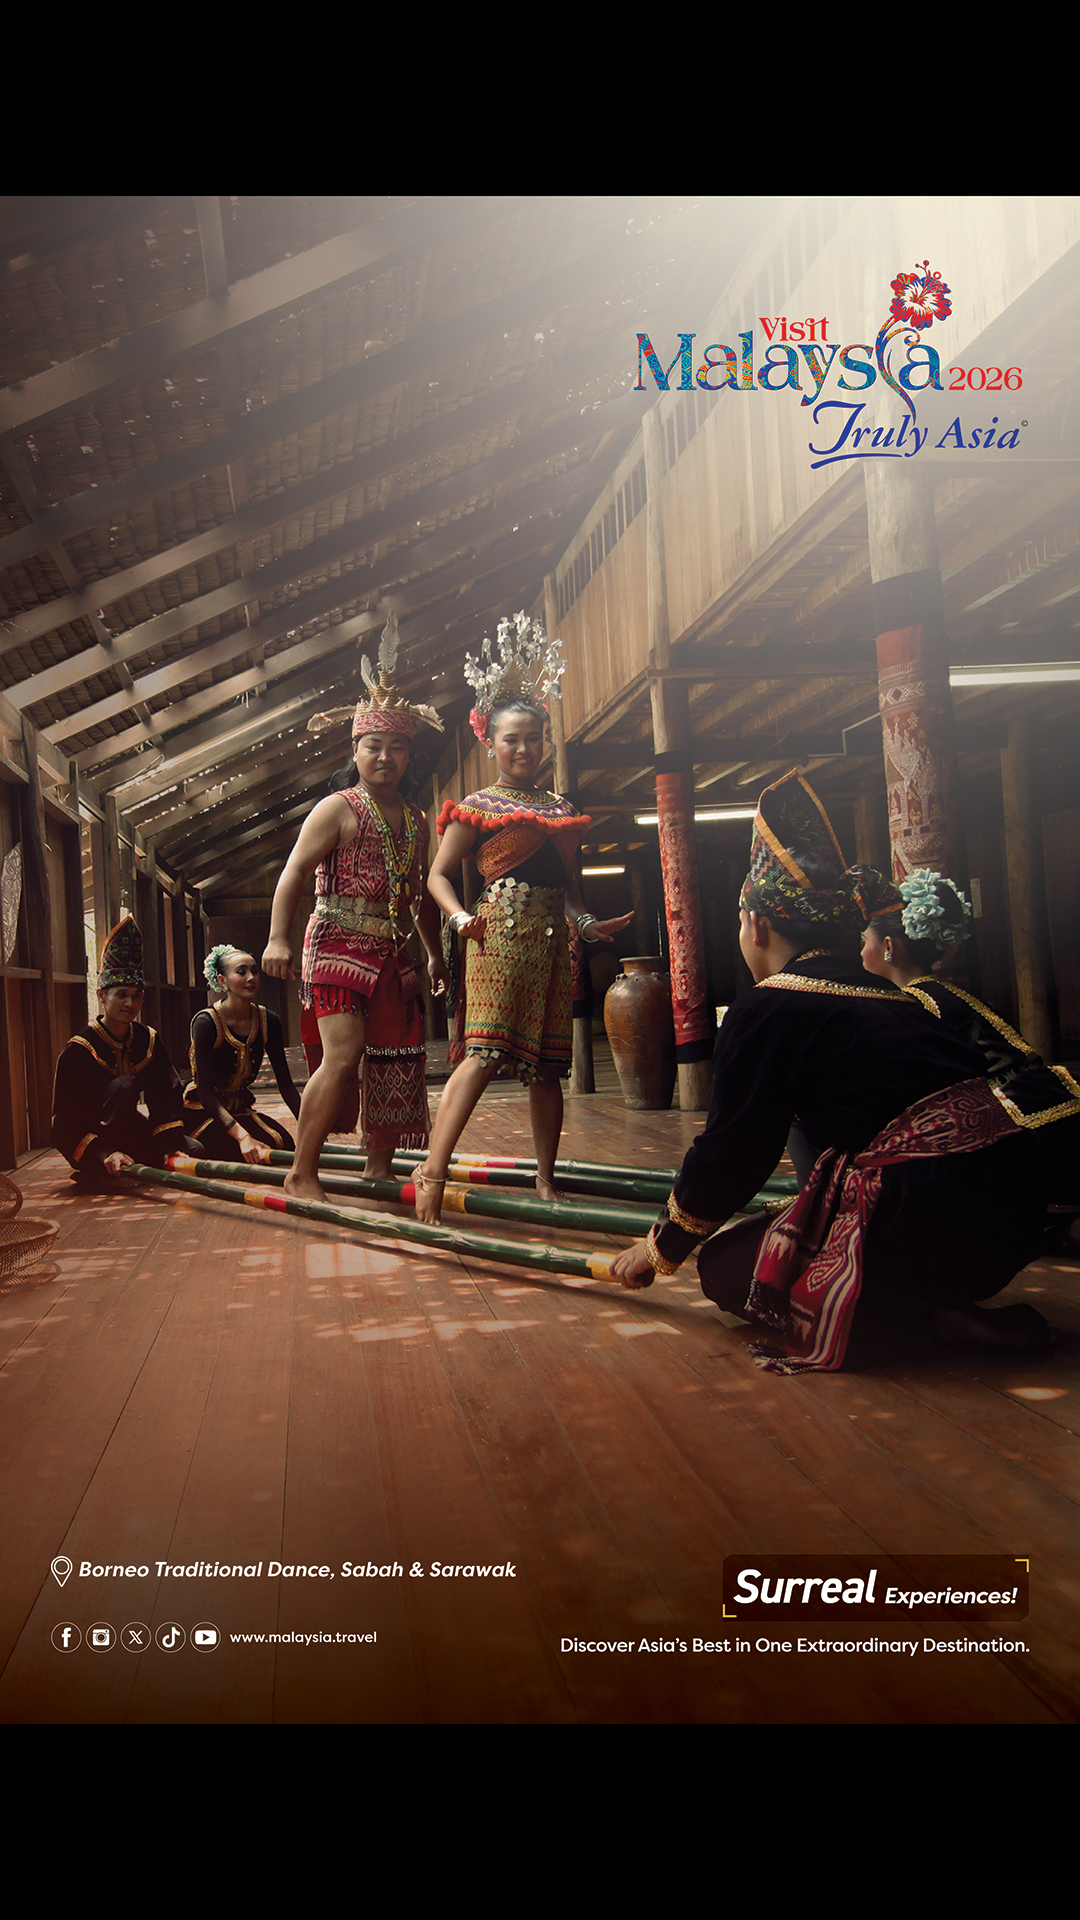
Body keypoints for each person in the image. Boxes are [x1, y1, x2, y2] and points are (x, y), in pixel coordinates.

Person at [611, 770, 1073, 1366]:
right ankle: (952, 1305)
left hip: (924, 1226)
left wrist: (660, 1247)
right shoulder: (905, 999)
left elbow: (737, 1150)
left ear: (758, 925)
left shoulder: (769, 1005)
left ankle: (932, 1319)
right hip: (1007, 1227)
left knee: (727, 1269)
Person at [415, 612, 632, 1225]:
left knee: (547, 1069)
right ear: (491, 742)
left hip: (548, 945)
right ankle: (432, 1172)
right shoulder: (476, 808)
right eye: (512, 739)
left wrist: (589, 928)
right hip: (493, 937)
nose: (524, 749)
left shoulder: (562, 809)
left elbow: (568, 893)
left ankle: (545, 1180)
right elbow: (436, 877)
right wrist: (458, 921)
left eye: (534, 738)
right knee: (481, 1057)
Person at [262, 618, 448, 1202]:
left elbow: (416, 895)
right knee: (343, 1057)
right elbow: (292, 873)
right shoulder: (336, 808)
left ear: (410, 754)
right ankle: (301, 1171)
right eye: (374, 746)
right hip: (336, 943)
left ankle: (378, 1167)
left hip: (396, 950)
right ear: (355, 749)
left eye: (396, 747)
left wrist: (436, 953)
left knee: (395, 1056)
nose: (385, 757)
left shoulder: (417, 819)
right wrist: (278, 939)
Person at [859, 869, 1080, 1209]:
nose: (861, 954)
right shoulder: (947, 990)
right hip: (1045, 1104)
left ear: (888, 947)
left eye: (864, 943)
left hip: (1013, 1127)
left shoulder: (913, 1003)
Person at [52, 915, 191, 1184]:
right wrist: (103, 1152)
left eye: (137, 995)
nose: (130, 1003)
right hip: (93, 1141)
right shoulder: (79, 1049)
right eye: (121, 994)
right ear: (102, 996)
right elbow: (64, 1124)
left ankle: (129, 1160)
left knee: (192, 1150)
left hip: (132, 1132)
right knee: (125, 1086)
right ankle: (102, 1166)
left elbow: (166, 1095)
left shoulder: (147, 1039)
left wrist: (169, 1145)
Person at [183, 946, 301, 1163]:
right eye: (241, 971)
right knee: (243, 1153)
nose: (251, 978)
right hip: (203, 1110)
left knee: (283, 1144)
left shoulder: (268, 1020)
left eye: (254, 971)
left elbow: (285, 1084)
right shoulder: (206, 1023)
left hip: (240, 1108)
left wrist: (309, 1128)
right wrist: (243, 1137)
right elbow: (206, 1094)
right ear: (222, 980)